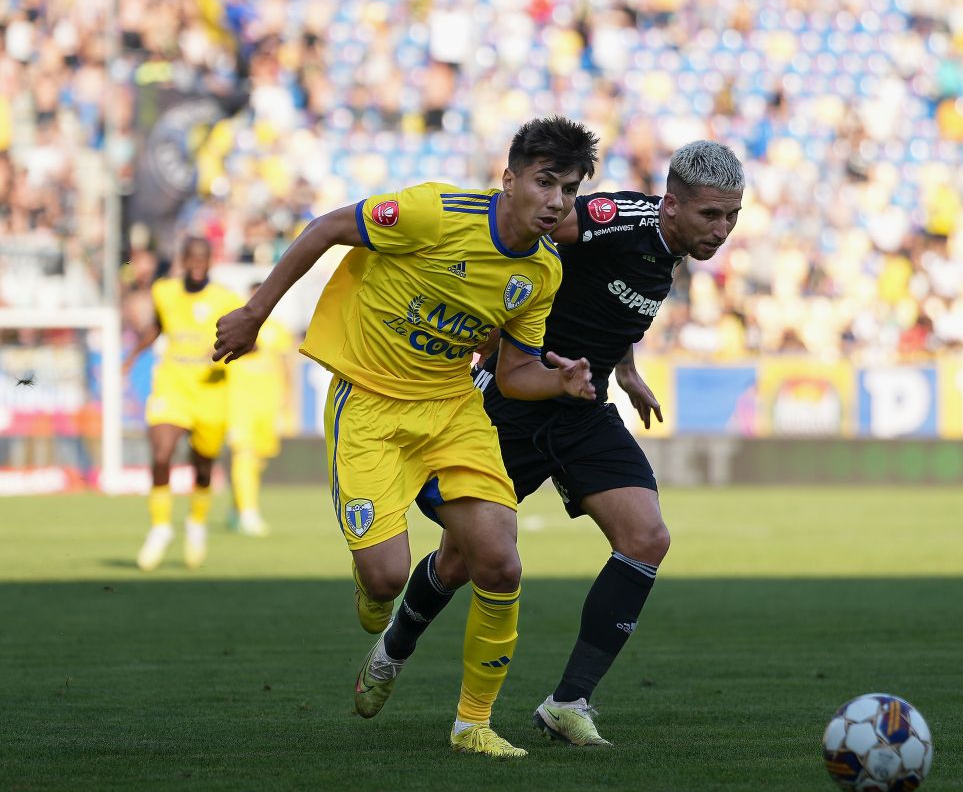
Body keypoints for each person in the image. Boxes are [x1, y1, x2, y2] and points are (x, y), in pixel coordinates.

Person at [212, 116, 600, 759]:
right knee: (387, 578)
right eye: (545, 181)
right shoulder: (434, 213)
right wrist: (255, 313)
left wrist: (559, 385)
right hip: (369, 401)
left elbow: (513, 372)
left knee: (499, 561)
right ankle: (378, 603)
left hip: (451, 408)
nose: (558, 200)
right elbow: (329, 227)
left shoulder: (542, 272)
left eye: (571, 188)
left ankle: (472, 723)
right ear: (509, 179)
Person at [373, 141, 745, 746]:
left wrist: (624, 368)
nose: (722, 230)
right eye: (711, 216)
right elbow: (525, 236)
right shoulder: (609, 219)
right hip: (514, 402)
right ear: (670, 205)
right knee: (462, 560)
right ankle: (394, 646)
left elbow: (607, 298)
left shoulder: (669, 248)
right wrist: (491, 326)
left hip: (582, 406)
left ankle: (568, 701)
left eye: (732, 217)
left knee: (647, 538)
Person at [125, 236, 244, 572]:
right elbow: (158, 327)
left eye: (201, 258)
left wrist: (222, 352)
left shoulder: (225, 298)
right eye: (190, 257)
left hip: (210, 389)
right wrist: (132, 357)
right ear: (183, 259)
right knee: (161, 452)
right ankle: (160, 528)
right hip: (173, 383)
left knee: (203, 465)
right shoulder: (165, 291)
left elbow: (247, 340)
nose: (195, 263)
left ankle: (196, 524)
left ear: (209, 261)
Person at [225, 282, 293, 536]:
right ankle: (248, 513)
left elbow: (287, 367)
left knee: (258, 459)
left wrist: (288, 399)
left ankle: (236, 507)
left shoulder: (278, 331)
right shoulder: (237, 329)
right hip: (240, 403)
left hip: (268, 404)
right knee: (243, 454)